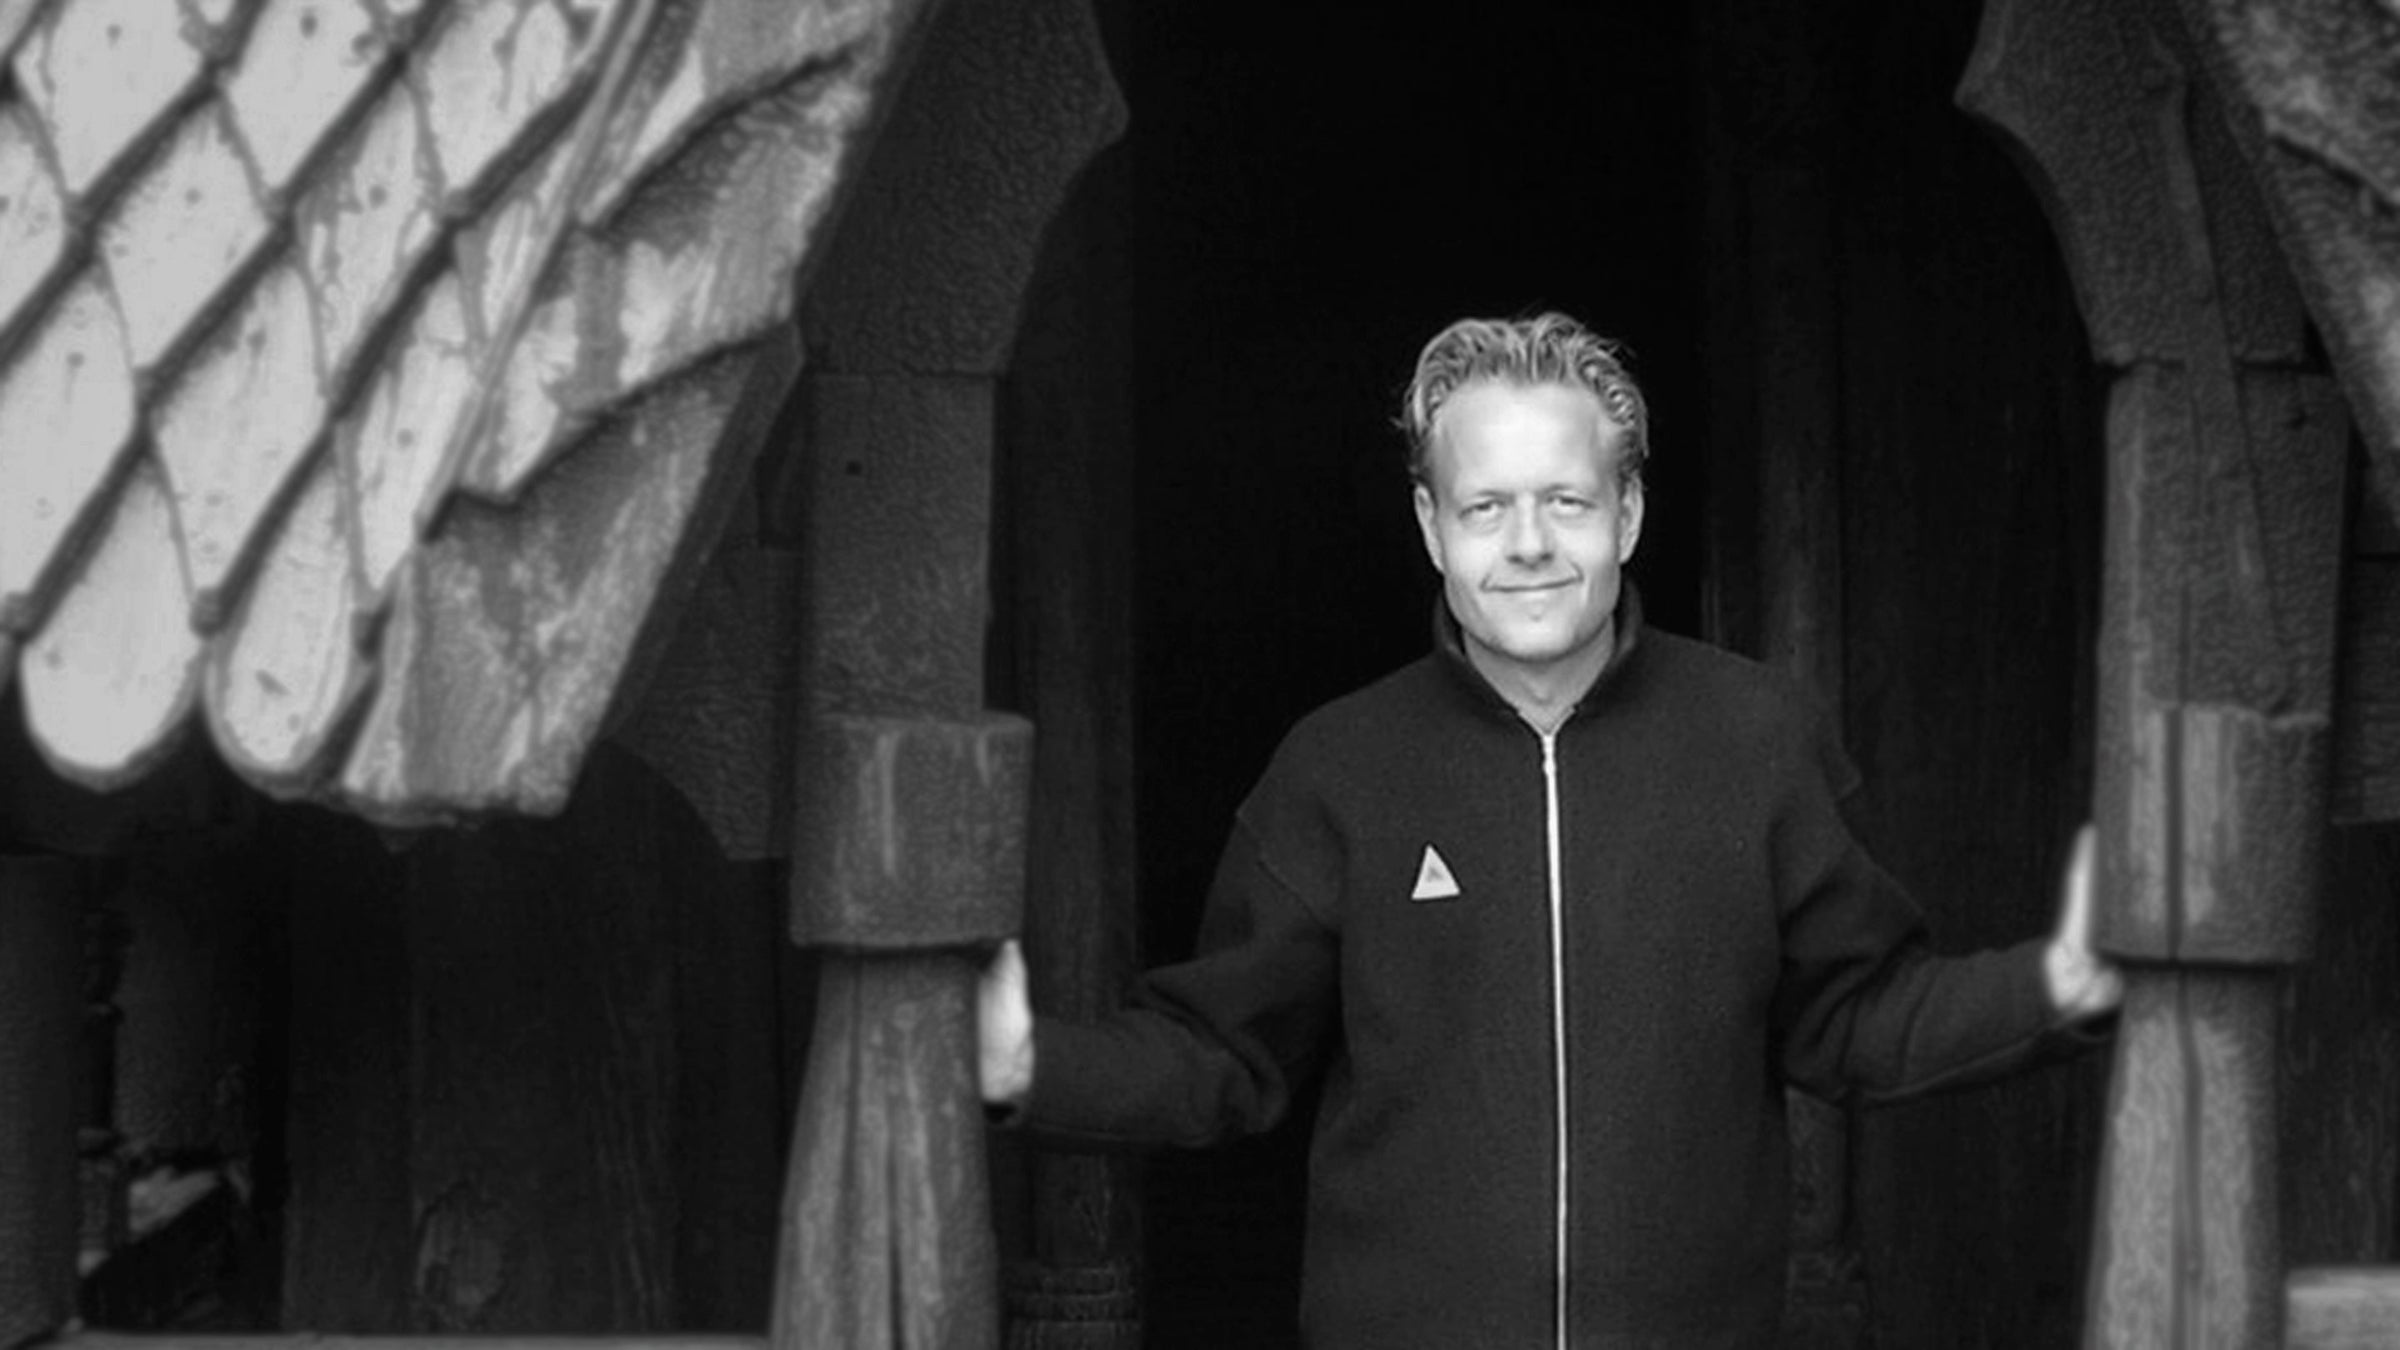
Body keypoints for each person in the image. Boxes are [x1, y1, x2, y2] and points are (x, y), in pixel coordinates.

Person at [976, 311, 2120, 1349]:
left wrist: (2058, 988)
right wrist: (1031, 1066)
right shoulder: (1339, 769)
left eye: (1566, 501)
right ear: (1433, 526)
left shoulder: (1759, 740)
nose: (1528, 542)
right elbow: (1224, 1056)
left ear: (1628, 513)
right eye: (1486, 506)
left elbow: (1858, 1020)